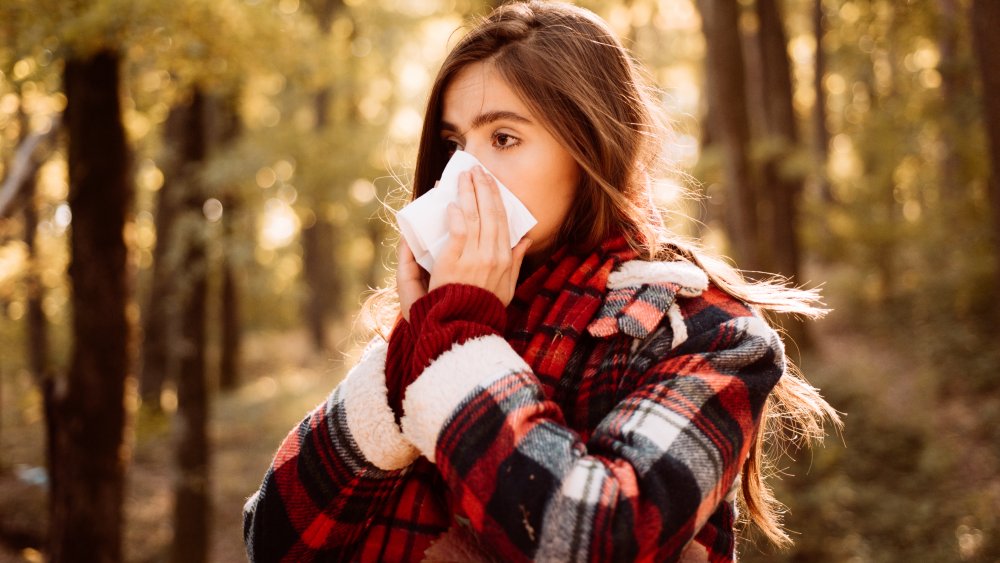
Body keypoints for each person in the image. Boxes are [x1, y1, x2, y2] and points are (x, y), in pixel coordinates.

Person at [243, 2, 839, 561]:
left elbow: (596, 541)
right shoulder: (442, 321)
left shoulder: (710, 334)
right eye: (455, 143)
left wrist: (455, 343)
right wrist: (409, 354)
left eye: (503, 138)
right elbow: (272, 538)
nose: (462, 174)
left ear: (591, 147)